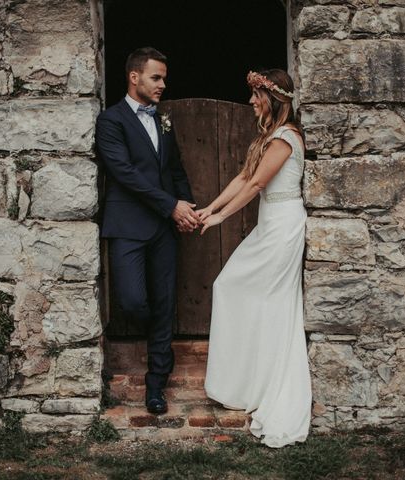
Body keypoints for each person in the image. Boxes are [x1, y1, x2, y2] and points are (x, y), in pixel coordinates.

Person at [199, 69, 311, 447]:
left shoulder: (287, 136)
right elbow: (244, 177)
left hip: (283, 225)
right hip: (270, 224)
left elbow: (259, 184)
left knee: (254, 295)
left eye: (256, 96)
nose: (251, 102)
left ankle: (266, 383)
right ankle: (248, 380)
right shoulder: (268, 137)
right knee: (235, 289)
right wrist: (209, 207)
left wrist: (222, 218)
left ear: (273, 98)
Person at [95, 47, 199, 414]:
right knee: (134, 300)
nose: (162, 84)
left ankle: (156, 387)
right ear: (134, 77)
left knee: (165, 303)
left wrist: (186, 207)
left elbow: (174, 169)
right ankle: (147, 350)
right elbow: (125, 173)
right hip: (128, 226)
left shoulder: (163, 120)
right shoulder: (111, 121)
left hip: (164, 229)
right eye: (156, 77)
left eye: (164, 78)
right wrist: (170, 204)